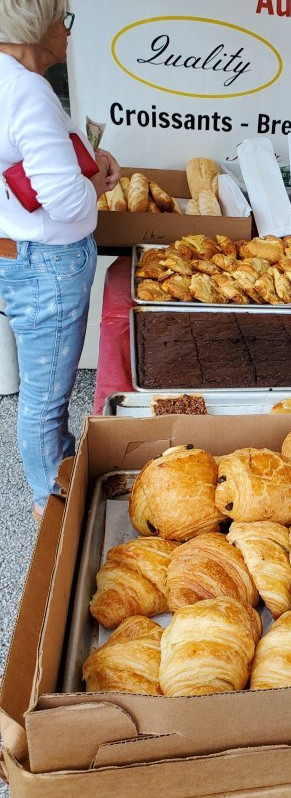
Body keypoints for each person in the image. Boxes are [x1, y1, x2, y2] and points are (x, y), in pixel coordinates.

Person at [0, 0, 120, 522]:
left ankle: (58, 474)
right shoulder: (26, 91)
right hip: (47, 262)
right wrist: (92, 183)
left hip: (21, 252)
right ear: (36, 26)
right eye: (62, 22)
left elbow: (40, 165)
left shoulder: (10, 80)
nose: (68, 35)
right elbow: (68, 200)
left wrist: (92, 163)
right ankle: (52, 508)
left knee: (44, 387)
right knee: (46, 396)